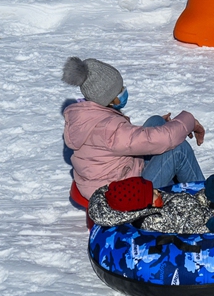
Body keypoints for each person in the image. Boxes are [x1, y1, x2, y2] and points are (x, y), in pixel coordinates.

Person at [61, 56, 206, 200]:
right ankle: (206, 200)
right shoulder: (108, 128)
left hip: (113, 179)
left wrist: (167, 127)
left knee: (156, 121)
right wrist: (190, 121)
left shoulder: (89, 116)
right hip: (122, 196)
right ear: (108, 98)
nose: (124, 90)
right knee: (178, 150)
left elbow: (130, 139)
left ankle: (181, 185)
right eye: (120, 90)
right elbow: (163, 138)